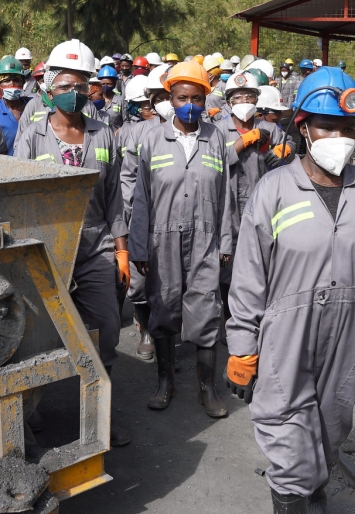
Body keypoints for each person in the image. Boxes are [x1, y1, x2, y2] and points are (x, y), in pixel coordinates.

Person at [225, 67, 355, 514]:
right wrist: (243, 346)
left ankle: (314, 495)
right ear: (303, 127)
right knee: (287, 445)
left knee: (329, 432)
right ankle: (292, 500)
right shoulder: (274, 191)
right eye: (327, 126)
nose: (337, 137)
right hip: (287, 338)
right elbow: (248, 278)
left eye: (346, 128)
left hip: (349, 338)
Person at [15, 40, 131, 447]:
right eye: (67, 84)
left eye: (83, 86)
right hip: (44, 250)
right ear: (49, 86)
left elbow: (115, 194)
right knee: (36, 334)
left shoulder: (104, 135)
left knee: (106, 331)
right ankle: (30, 411)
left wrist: (122, 249)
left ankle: (98, 417)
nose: (75, 93)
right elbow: (18, 196)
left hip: (95, 245)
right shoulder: (31, 136)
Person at [129, 61, 233, 418]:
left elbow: (227, 193)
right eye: (182, 97)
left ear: (206, 100)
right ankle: (165, 383)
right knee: (164, 307)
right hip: (161, 238)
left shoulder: (216, 137)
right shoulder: (151, 138)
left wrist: (227, 241)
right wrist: (139, 246)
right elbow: (141, 196)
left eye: (197, 98)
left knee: (206, 309)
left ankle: (208, 389)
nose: (190, 104)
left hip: (206, 237)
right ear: (169, 99)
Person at [218, 72, 292, 331]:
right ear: (229, 102)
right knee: (229, 267)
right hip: (229, 208)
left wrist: (287, 150)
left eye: (249, 96)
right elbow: (215, 161)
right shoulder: (218, 129)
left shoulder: (269, 128)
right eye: (238, 97)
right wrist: (240, 143)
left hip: (263, 206)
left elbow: (290, 146)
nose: (243, 101)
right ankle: (230, 318)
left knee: (263, 262)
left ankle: (262, 318)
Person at [117, 69, 168, 361]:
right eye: (158, 98)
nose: (165, 104)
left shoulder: (194, 131)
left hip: (178, 219)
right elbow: (128, 178)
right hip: (142, 218)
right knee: (140, 282)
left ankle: (167, 332)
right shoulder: (137, 133)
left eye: (168, 97)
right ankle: (146, 330)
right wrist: (132, 214)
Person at [0, 56, 32, 154]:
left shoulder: (32, 106)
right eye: (6, 81)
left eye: (16, 80)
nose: (11, 84)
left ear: (22, 83)